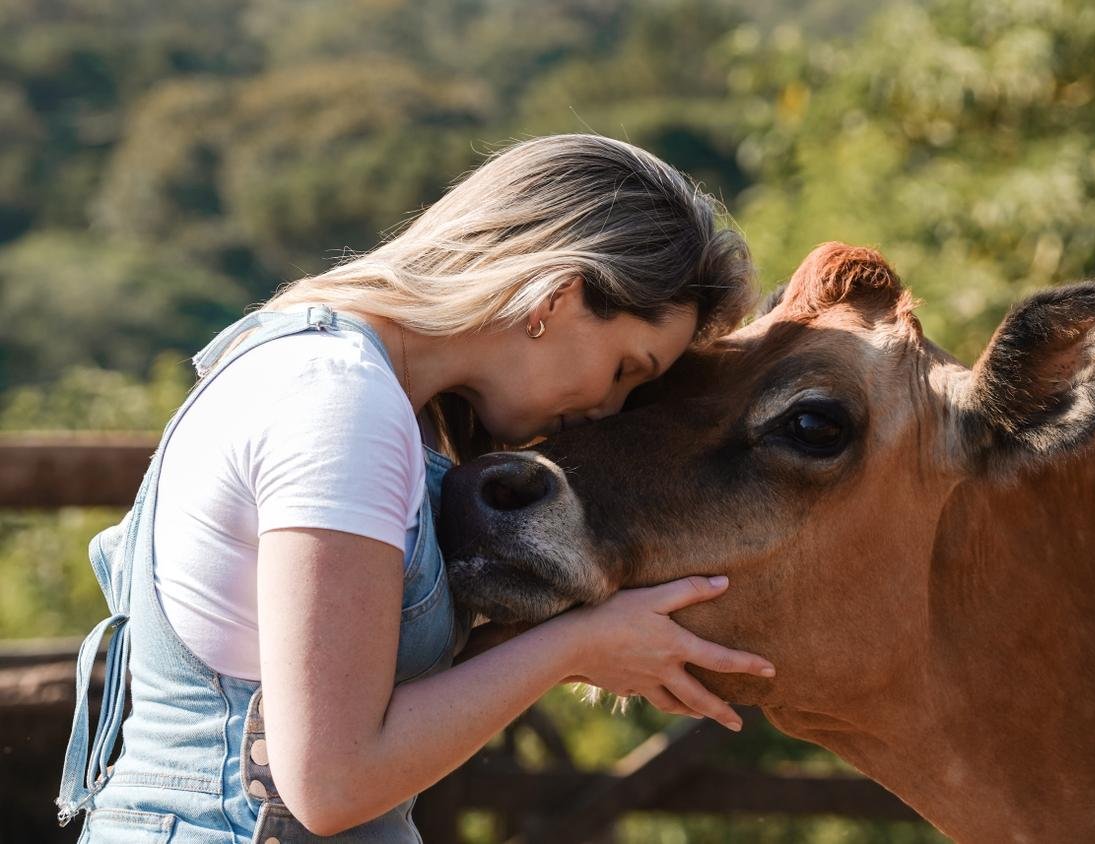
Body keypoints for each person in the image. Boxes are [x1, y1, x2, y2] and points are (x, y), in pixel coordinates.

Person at [57, 133, 774, 841]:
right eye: (626, 369)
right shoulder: (341, 404)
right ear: (558, 297)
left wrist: (593, 642)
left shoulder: (364, 394)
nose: (608, 409)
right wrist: (576, 648)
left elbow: (365, 700)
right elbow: (332, 785)